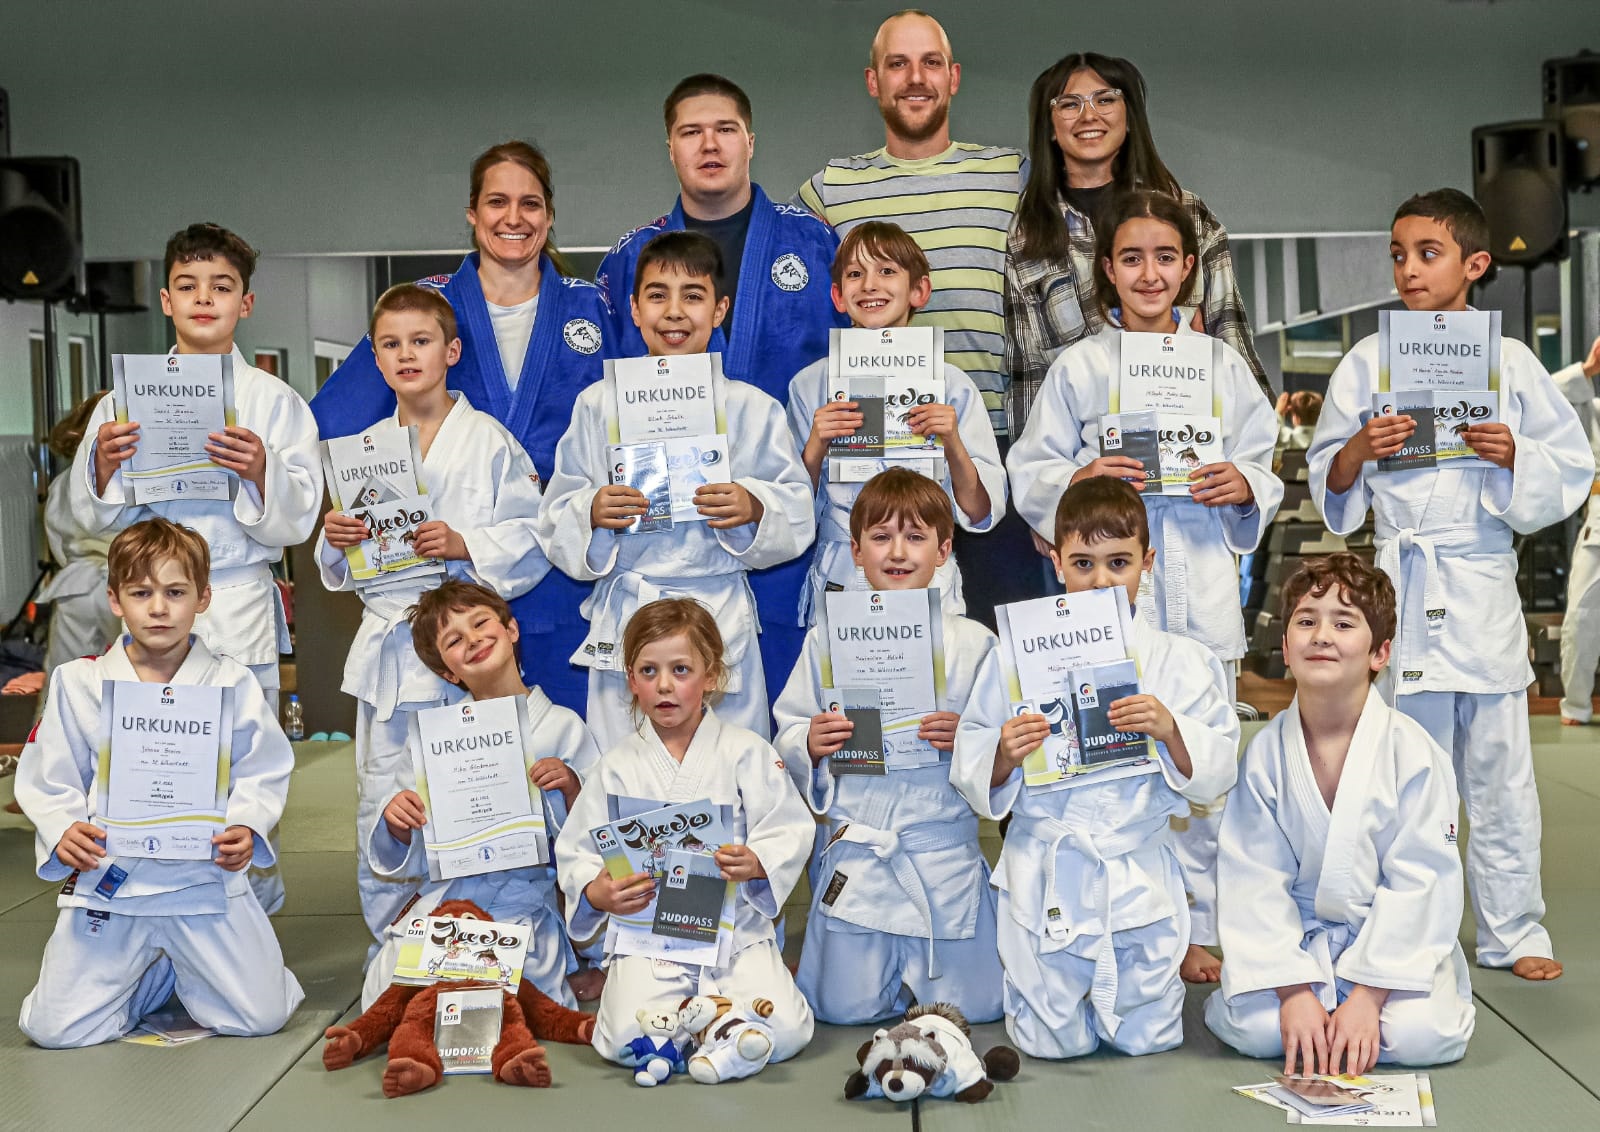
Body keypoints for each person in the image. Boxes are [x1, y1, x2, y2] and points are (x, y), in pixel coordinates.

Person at [1308, 188, 1593, 981]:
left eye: (1427, 253)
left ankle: (1514, 930)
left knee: (1500, 776)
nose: (1407, 269)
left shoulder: (1511, 363)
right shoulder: (1369, 359)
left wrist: (1514, 457)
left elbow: (1569, 465)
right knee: (1402, 772)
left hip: (1479, 580)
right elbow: (1328, 477)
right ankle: (1408, 925)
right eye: (1398, 254)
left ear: (1475, 264)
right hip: (1402, 579)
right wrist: (1360, 450)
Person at [1007, 189, 1280, 977]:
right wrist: (1081, 475)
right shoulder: (1081, 366)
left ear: (1190, 269)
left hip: (1194, 578)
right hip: (1105, 593)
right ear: (1106, 272)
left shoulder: (1222, 365)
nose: (1149, 272)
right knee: (1110, 752)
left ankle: (1199, 925)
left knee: (1199, 759)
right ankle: (1117, 911)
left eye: (1165, 257)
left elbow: (1262, 460)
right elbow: (1031, 468)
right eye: (1131, 257)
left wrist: (1244, 483)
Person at [71, 222, 323, 915]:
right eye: (188, 286)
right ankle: (142, 903)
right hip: (147, 604)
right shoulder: (120, 403)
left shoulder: (276, 403)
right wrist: (103, 465)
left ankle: (248, 915)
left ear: (245, 303)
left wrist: (261, 470)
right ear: (165, 299)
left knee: (241, 764)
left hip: (233, 597)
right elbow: (85, 515)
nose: (203, 298)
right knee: (143, 761)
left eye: (221, 287)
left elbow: (298, 519)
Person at [311, 141, 605, 715]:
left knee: (561, 747)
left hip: (563, 566)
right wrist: (355, 512)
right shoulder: (425, 306)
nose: (513, 218)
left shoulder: (594, 307)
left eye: (530, 203)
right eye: (497, 202)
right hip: (449, 596)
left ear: (549, 214)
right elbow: (333, 422)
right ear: (472, 213)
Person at [952, 477, 1238, 1059]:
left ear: (1146, 563)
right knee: (1049, 1045)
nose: (1101, 579)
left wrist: (1170, 730)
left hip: (1137, 879)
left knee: (1147, 1041)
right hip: (1048, 873)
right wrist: (1005, 753)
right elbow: (972, 757)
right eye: (1083, 562)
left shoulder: (1183, 662)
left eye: (1118, 562)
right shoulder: (1013, 657)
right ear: (1057, 563)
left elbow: (1219, 769)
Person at [598, 74, 844, 716]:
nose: (710, 145)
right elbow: (600, 395)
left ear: (751, 141)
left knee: (782, 723)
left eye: (725, 129)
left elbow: (860, 355)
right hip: (658, 532)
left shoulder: (812, 241)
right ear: (670, 147)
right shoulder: (629, 257)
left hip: (784, 518)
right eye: (691, 132)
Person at [316, 284, 551, 939]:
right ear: (378, 358)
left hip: (464, 649)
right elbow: (335, 568)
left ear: (450, 350)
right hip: (391, 646)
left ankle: (482, 932)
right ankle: (395, 945)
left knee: (471, 791)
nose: (405, 354)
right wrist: (336, 542)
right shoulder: (363, 448)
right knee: (387, 796)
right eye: (390, 344)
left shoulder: (489, 441)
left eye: (420, 341)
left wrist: (465, 543)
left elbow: (534, 538)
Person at [15, 518, 303, 1048]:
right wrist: (63, 830)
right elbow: (50, 776)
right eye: (141, 592)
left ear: (204, 598)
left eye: (175, 592)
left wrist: (247, 826)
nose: (159, 607)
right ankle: (149, 976)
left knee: (260, 1018)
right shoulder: (78, 682)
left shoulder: (231, 681)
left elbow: (263, 769)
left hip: (203, 880)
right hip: (114, 879)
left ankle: (175, 965)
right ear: (115, 600)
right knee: (54, 1030)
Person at [539, 232, 814, 747]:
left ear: (720, 309)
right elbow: (556, 515)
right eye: (657, 295)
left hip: (718, 612)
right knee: (628, 770)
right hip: (631, 611)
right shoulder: (598, 405)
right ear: (634, 309)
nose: (674, 312)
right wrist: (592, 510)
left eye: (693, 295)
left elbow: (798, 510)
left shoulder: (754, 408)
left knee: (728, 769)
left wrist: (753, 505)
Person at [1204, 554, 1475, 1073]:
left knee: (1425, 1036)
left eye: (1344, 623)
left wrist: (1369, 996)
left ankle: (1357, 1008)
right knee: (1258, 1029)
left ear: (1381, 652)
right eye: (1306, 621)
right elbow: (1252, 879)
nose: (1321, 634)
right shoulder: (1265, 755)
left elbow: (1423, 881)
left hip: (1388, 943)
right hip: (1298, 943)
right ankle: (1315, 1006)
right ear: (1285, 647)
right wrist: (1293, 989)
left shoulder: (1413, 753)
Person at [773, 467, 1003, 1025]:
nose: (897, 552)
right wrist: (812, 740)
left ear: (945, 549)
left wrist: (969, 738)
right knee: (838, 1010)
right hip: (862, 850)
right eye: (880, 537)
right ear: (855, 550)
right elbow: (786, 731)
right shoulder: (827, 634)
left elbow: (1007, 745)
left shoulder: (976, 643)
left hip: (938, 851)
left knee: (980, 1007)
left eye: (916, 536)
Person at [554, 598, 815, 1074]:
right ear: (631, 681)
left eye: (680, 669)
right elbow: (577, 850)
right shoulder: (615, 766)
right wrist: (598, 890)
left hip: (733, 928)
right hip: (650, 936)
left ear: (711, 675)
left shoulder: (745, 751)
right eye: (649, 671)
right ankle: (722, 1032)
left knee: (790, 1028)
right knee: (620, 1039)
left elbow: (788, 825)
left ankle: (694, 1034)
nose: (665, 685)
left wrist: (756, 861)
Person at [362, 580, 601, 1010]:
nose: (472, 640)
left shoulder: (563, 726)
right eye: (454, 640)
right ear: (448, 673)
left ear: (511, 630)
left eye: (480, 623)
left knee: (521, 987)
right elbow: (403, 844)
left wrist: (569, 786)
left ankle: (462, 995)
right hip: (450, 895)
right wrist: (396, 821)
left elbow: (595, 832)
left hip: (522, 897)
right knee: (382, 989)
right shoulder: (432, 736)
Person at [1006, 51, 1266, 436]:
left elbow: (1231, 343)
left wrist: (1251, 469)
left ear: (1129, 118)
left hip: (1190, 461)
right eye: (1069, 104)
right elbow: (1029, 376)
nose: (1088, 116)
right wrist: (1044, 483)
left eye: (1105, 99)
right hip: (1088, 471)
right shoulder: (1028, 237)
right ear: (1049, 125)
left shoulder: (1189, 214)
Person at [786, 222, 1005, 624]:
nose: (870, 285)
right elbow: (789, 510)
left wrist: (952, 441)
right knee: (847, 687)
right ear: (837, 295)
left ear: (918, 291)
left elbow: (979, 513)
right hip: (844, 574)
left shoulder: (951, 385)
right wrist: (817, 443)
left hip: (927, 573)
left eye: (887, 271)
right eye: (855, 274)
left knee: (935, 686)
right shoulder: (811, 385)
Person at [35, 393, 122, 673]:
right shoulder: (136, 482)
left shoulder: (63, 481)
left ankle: (58, 716)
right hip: (127, 585)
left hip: (75, 584)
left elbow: (57, 542)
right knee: (126, 669)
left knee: (67, 671)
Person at [1555, 333, 1600, 724]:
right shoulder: (1594, 409)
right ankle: (1577, 704)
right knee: (1583, 618)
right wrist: (1586, 371)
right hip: (1599, 527)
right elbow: (1549, 400)